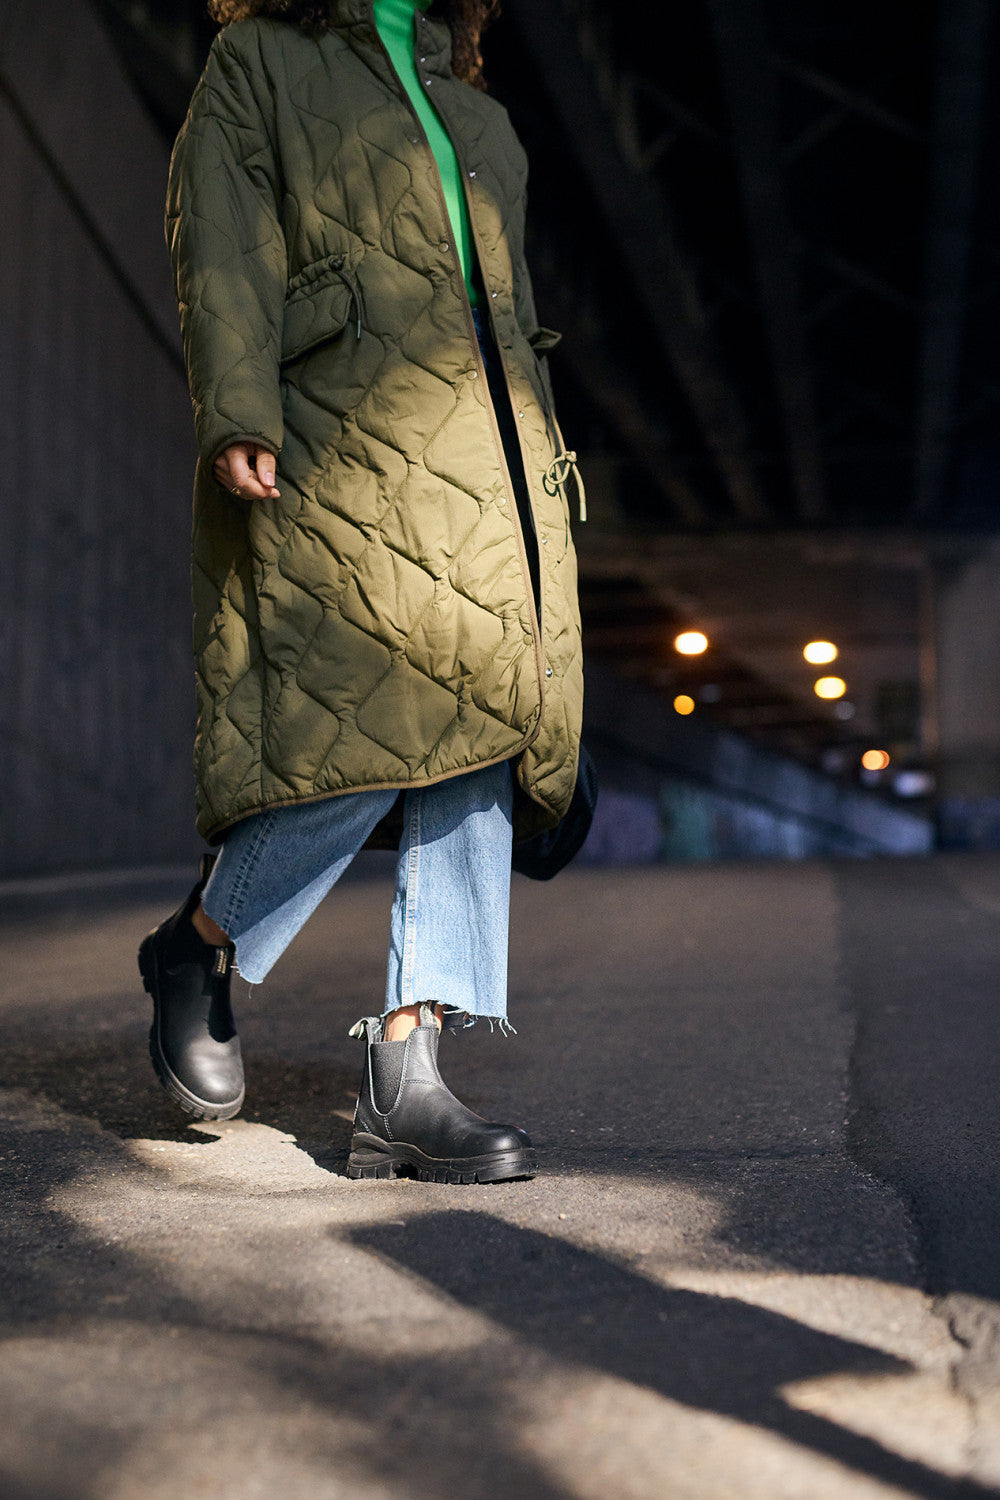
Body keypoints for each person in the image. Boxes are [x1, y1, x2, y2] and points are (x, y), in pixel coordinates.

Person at [139, 0, 585, 1184]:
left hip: (485, 475)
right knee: (364, 737)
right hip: (338, 438)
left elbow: (505, 320)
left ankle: (407, 1077)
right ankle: (199, 941)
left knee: (480, 729)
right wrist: (238, 405)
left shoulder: (474, 110)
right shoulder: (260, 60)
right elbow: (221, 234)